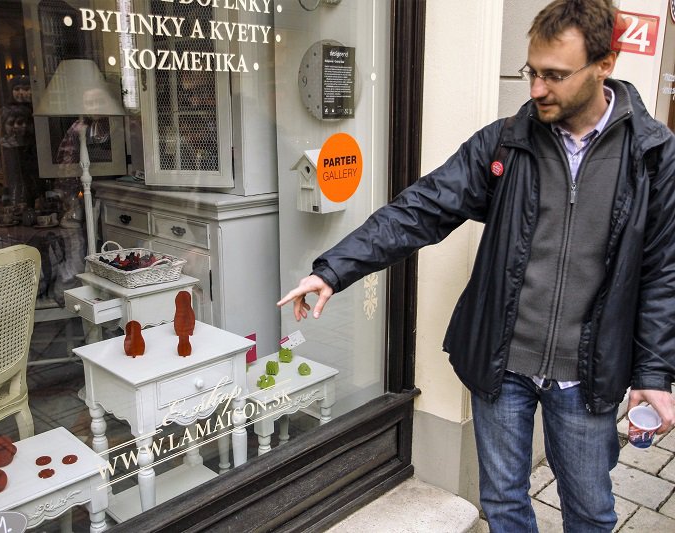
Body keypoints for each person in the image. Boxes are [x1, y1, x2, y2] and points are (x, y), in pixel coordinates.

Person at [277, 1, 675, 530]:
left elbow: (662, 273)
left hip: (588, 374)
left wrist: (653, 374)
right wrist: (334, 269)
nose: (537, 89)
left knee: (590, 513)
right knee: (504, 503)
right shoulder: (506, 141)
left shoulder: (652, 155)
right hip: (502, 364)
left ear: (605, 64)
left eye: (555, 75)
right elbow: (422, 208)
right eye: (532, 71)